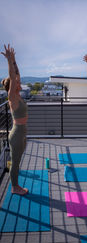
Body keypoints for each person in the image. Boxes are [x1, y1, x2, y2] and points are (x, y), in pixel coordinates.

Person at [1, 44, 28, 195]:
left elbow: (16, 75)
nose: (19, 82)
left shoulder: (18, 95)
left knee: (17, 161)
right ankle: (15, 187)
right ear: (11, 86)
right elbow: (13, 76)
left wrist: (15, 59)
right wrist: (9, 61)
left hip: (22, 133)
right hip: (17, 134)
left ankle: (16, 184)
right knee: (15, 163)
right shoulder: (12, 97)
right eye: (16, 82)